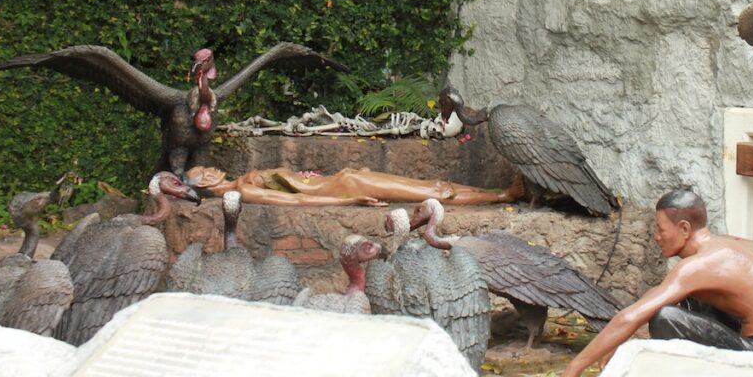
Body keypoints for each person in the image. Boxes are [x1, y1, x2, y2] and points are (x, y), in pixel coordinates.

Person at [553, 189, 753, 377]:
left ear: (684, 229)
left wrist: (575, 368)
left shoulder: (700, 264)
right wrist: (614, 343)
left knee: (665, 317)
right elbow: (654, 296)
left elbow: (632, 318)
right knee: (681, 298)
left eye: (661, 230)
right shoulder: (717, 248)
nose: (656, 237)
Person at [185, 164, 525, 207]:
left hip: (345, 176)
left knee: (433, 184)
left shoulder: (242, 180)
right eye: (205, 171)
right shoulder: (243, 191)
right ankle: (505, 196)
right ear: (203, 184)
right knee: (431, 193)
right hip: (346, 185)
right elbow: (299, 203)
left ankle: (501, 193)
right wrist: (350, 200)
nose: (212, 167)